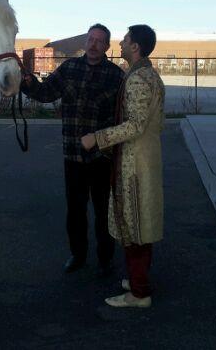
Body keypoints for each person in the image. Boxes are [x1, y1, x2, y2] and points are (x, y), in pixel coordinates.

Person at [21, 24, 125, 275]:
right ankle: (77, 255)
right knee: (75, 211)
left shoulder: (116, 76)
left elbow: (123, 117)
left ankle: (105, 259)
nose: (93, 44)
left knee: (103, 211)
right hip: (73, 155)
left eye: (99, 41)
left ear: (107, 47)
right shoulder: (69, 69)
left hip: (102, 157)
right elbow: (45, 93)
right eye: (90, 39)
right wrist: (26, 82)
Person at [81, 24, 164, 308]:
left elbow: (137, 125)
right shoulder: (142, 73)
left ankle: (139, 294)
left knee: (134, 226)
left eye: (125, 39)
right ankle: (138, 280)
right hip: (139, 159)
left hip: (136, 164)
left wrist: (98, 138)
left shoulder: (140, 79)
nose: (120, 43)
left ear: (135, 47)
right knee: (139, 223)